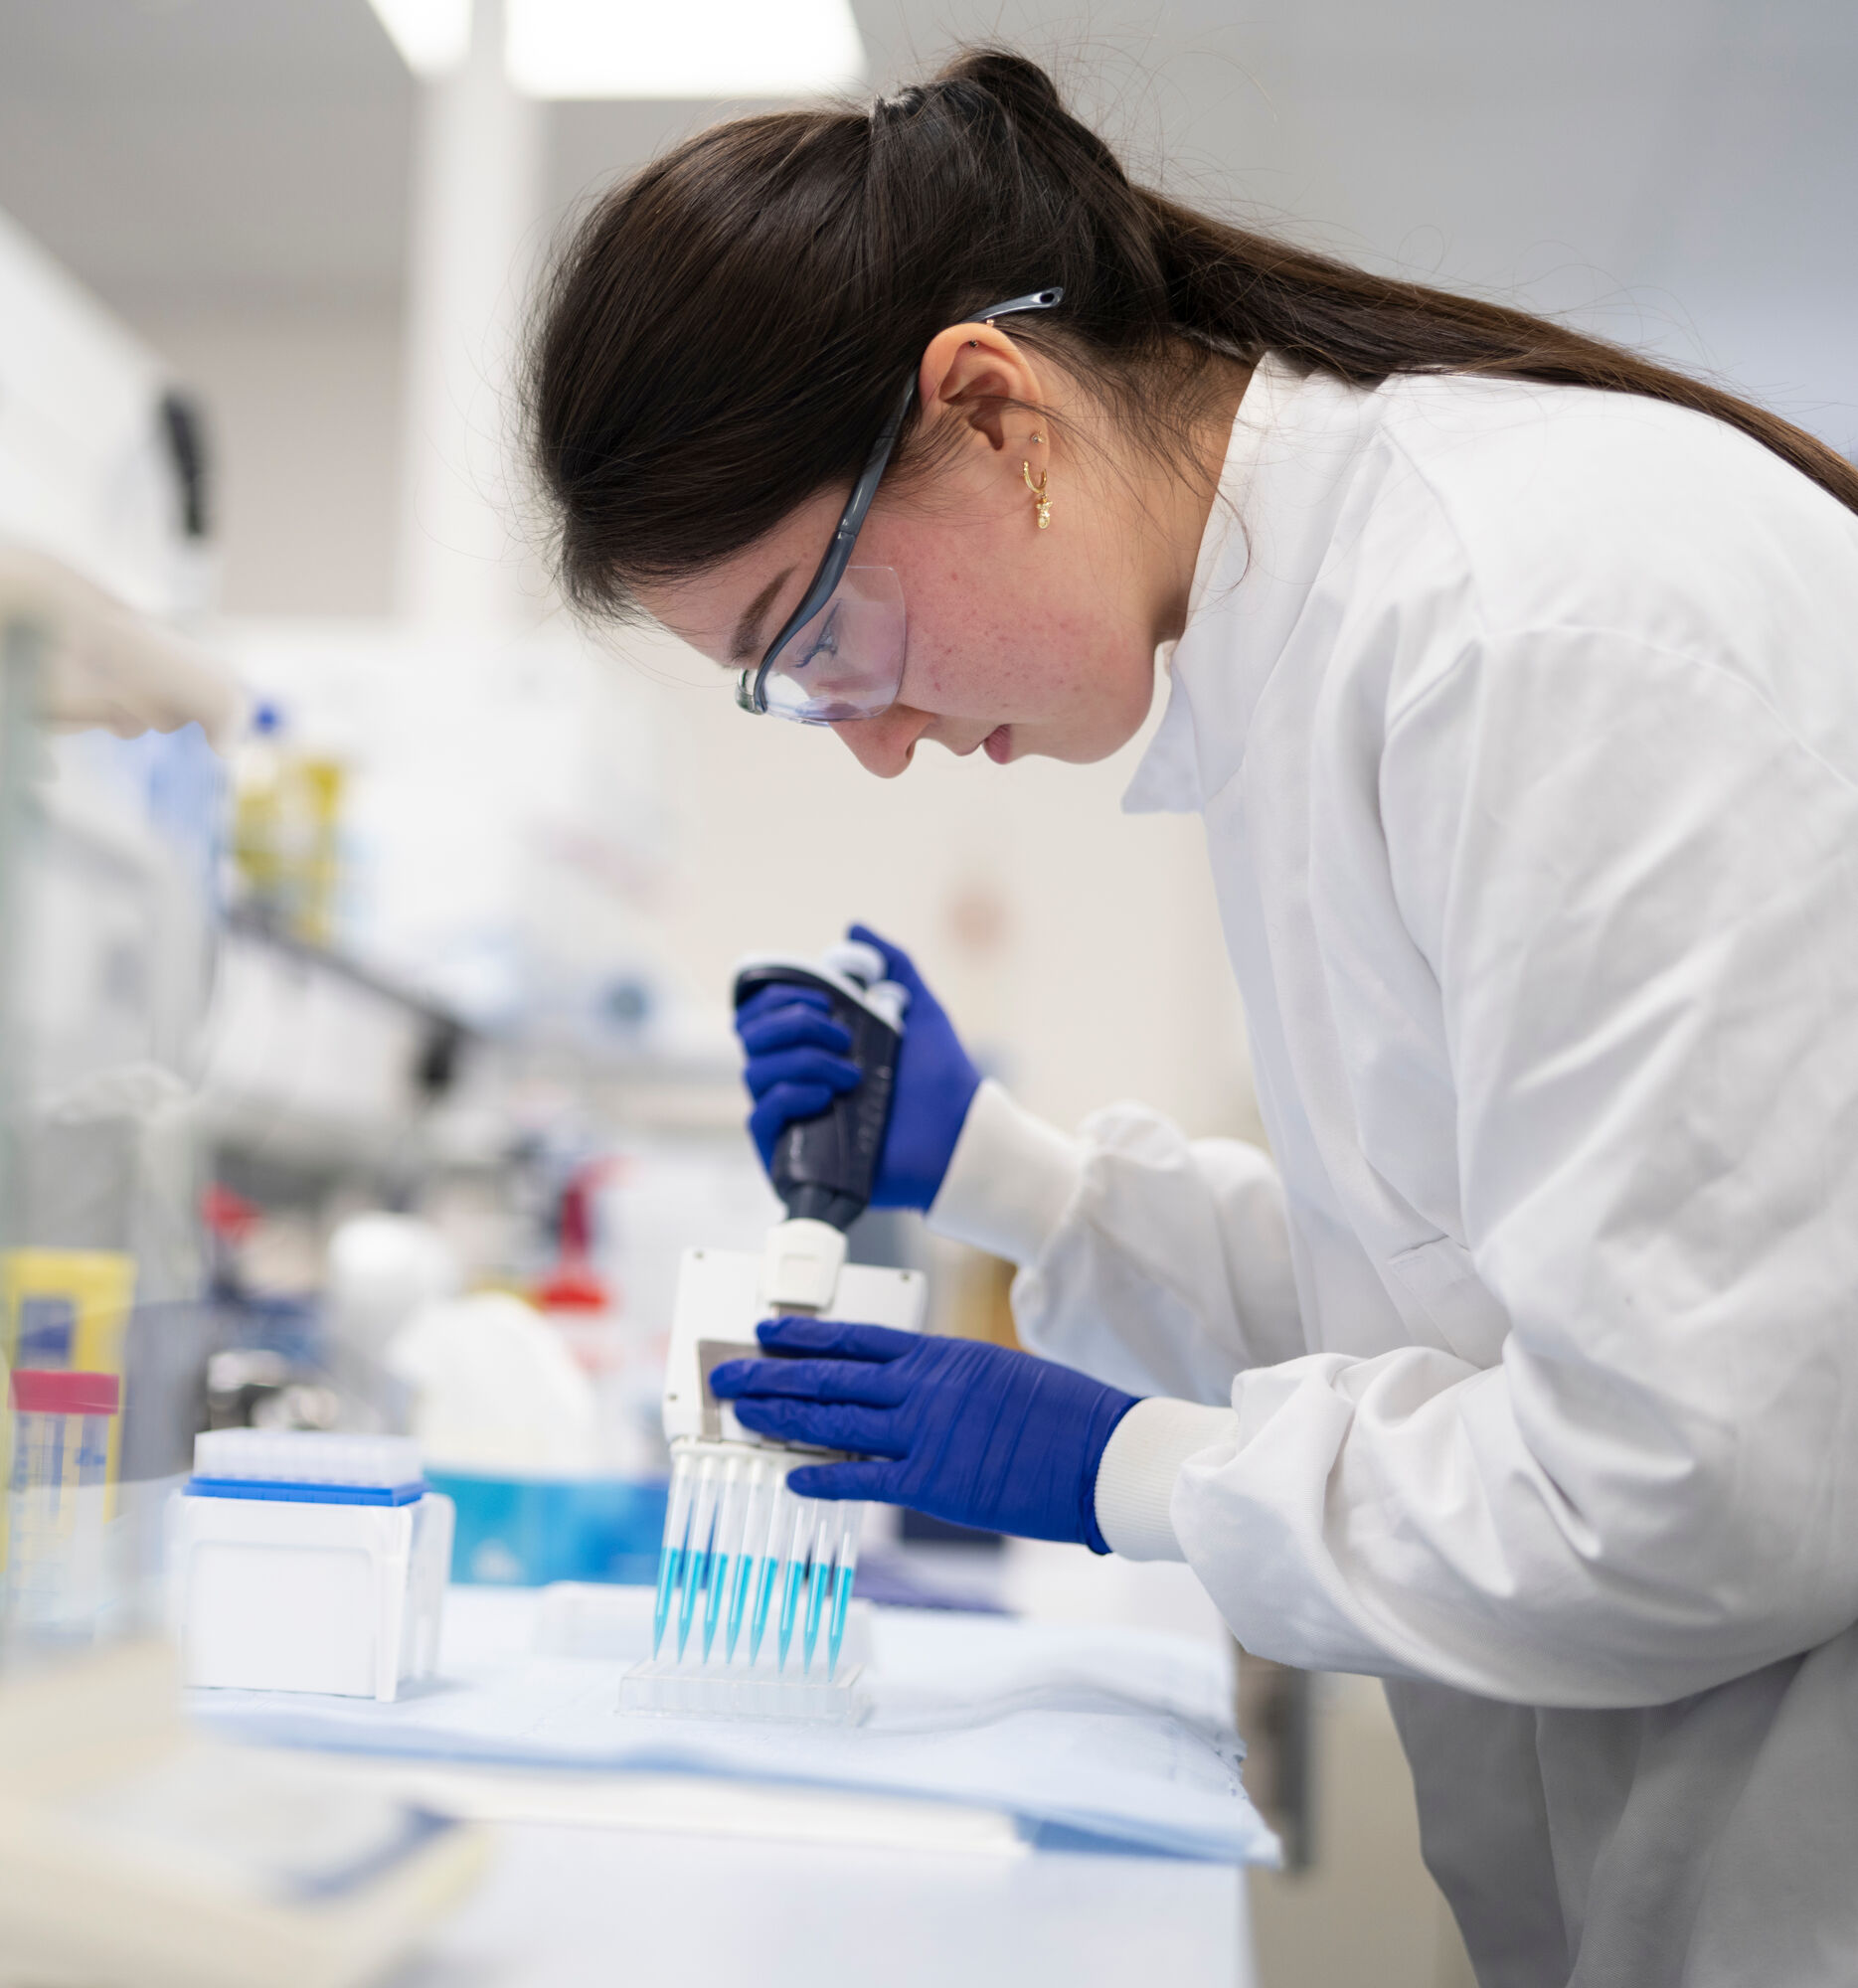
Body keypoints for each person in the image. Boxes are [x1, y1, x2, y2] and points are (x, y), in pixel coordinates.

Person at [526, 49, 1858, 1987]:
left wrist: (1118, 1470)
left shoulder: (1523, 624)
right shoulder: (1302, 656)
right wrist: (1013, 1184)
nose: (873, 744)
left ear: (992, 413)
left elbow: (1688, 1485)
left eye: (812, 640)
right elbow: (1454, 1296)